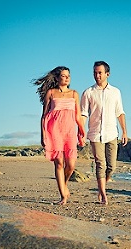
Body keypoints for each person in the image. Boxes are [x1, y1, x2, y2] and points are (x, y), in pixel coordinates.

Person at [34, 66, 86, 205]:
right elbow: (44, 116)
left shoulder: (74, 94)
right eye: (63, 75)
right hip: (54, 131)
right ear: (57, 78)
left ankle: (64, 184)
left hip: (69, 131)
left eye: (68, 75)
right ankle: (63, 195)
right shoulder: (51, 93)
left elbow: (78, 115)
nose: (67, 77)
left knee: (71, 165)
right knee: (59, 163)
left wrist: (81, 131)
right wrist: (43, 135)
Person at [80, 61, 128, 205]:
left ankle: (102, 187)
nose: (97, 75)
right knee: (100, 163)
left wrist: (124, 132)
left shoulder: (115, 92)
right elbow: (83, 114)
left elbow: (120, 113)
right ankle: (103, 194)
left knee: (111, 166)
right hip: (95, 134)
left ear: (107, 74)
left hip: (112, 133)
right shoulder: (88, 92)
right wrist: (81, 133)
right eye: (95, 72)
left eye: (100, 72)